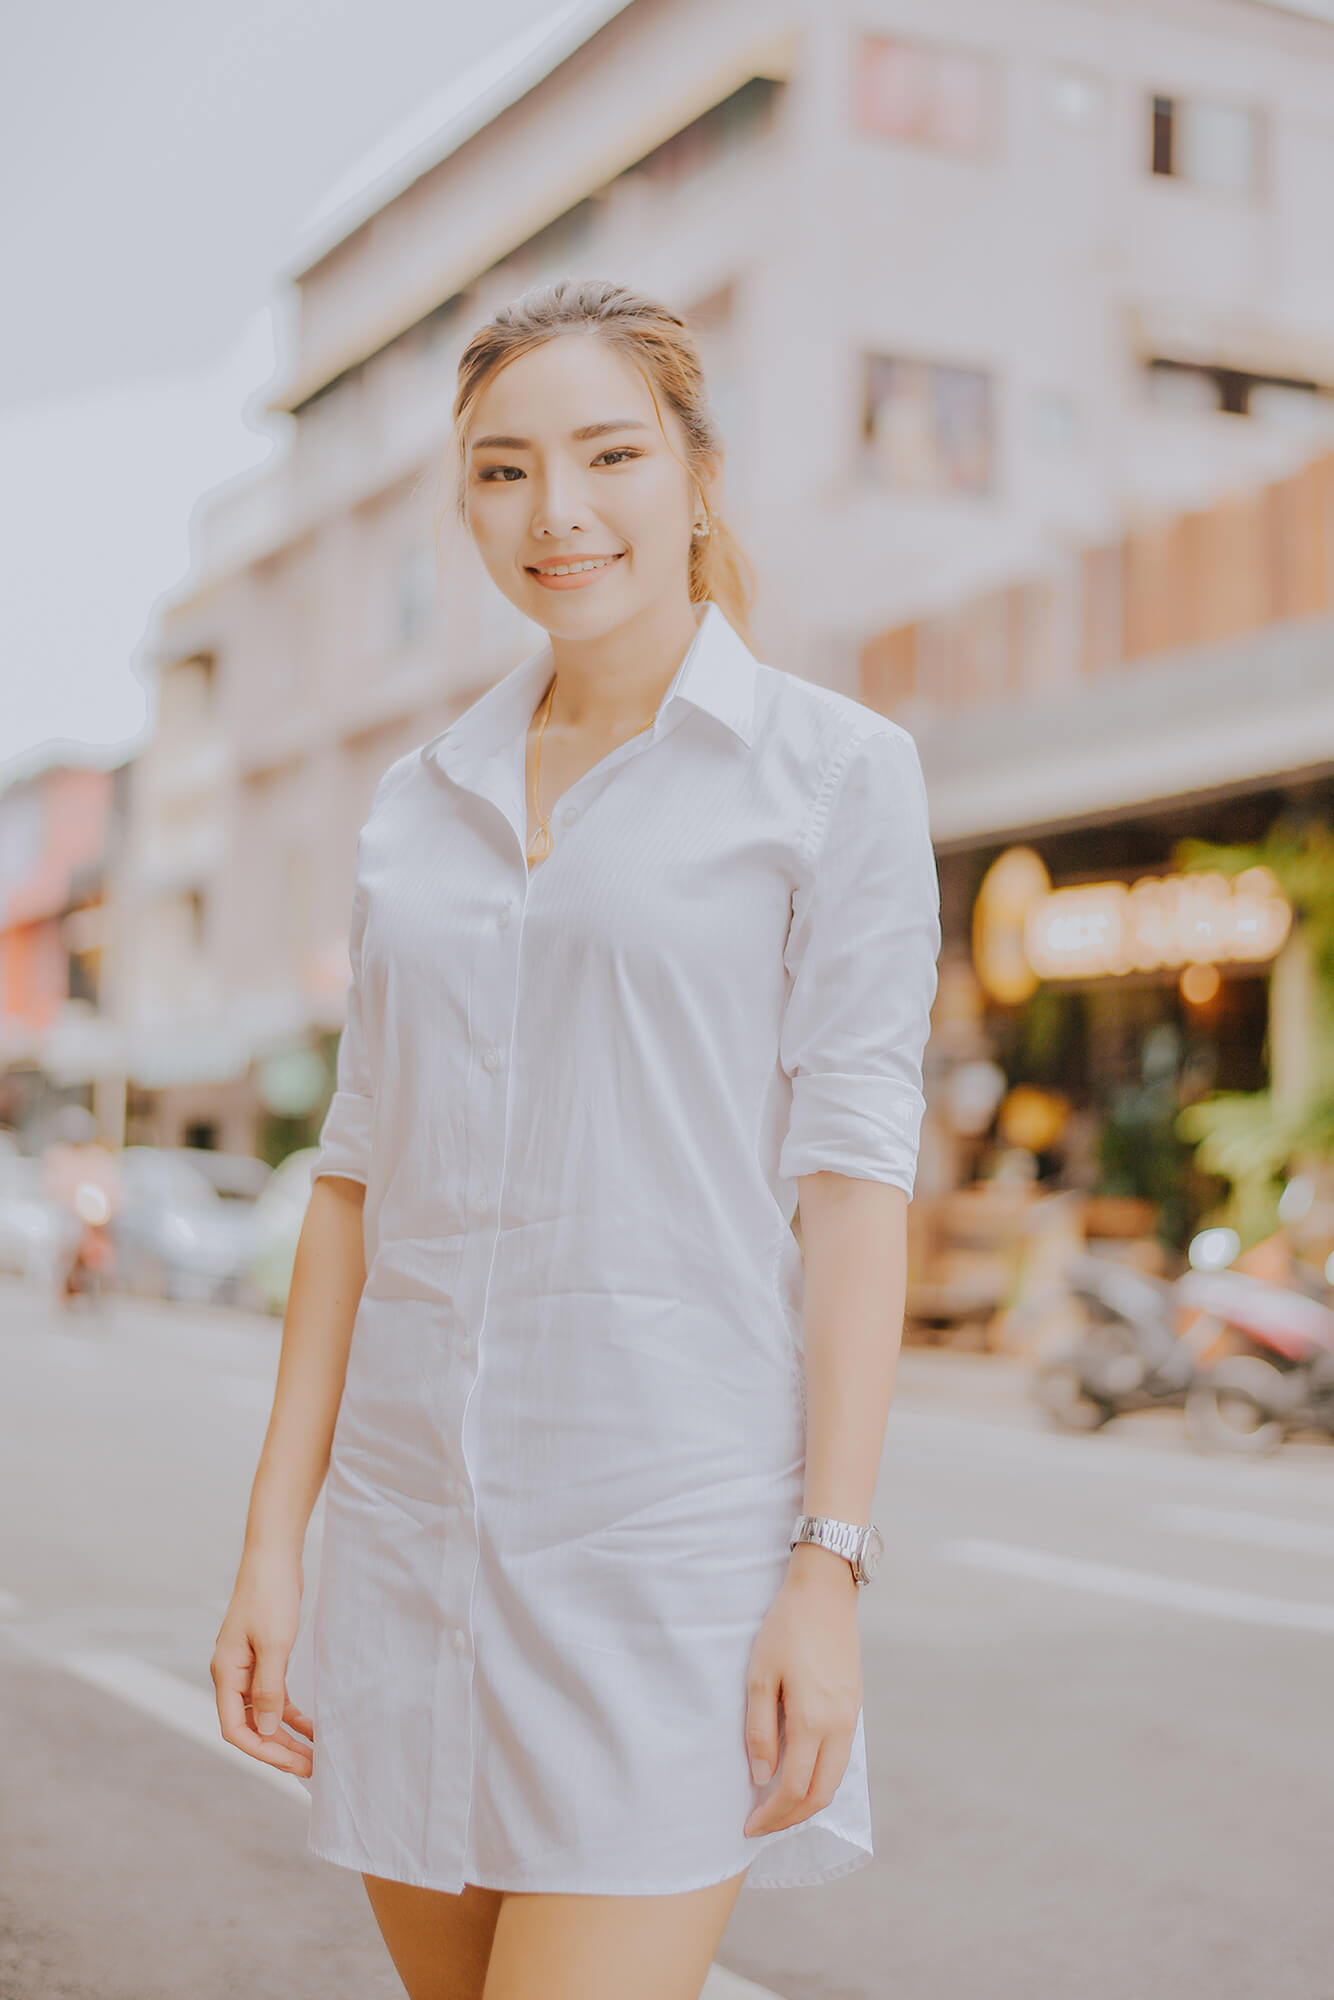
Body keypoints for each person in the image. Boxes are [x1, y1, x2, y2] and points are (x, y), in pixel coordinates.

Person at [211, 277, 941, 2000]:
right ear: (463, 503)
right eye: (501, 469)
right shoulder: (419, 804)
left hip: (664, 1558)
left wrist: (824, 1571)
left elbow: (852, 1194)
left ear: (693, 471)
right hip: (409, 1549)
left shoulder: (833, 776)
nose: (558, 511)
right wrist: (272, 1542)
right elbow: (355, 1185)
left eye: (607, 452)